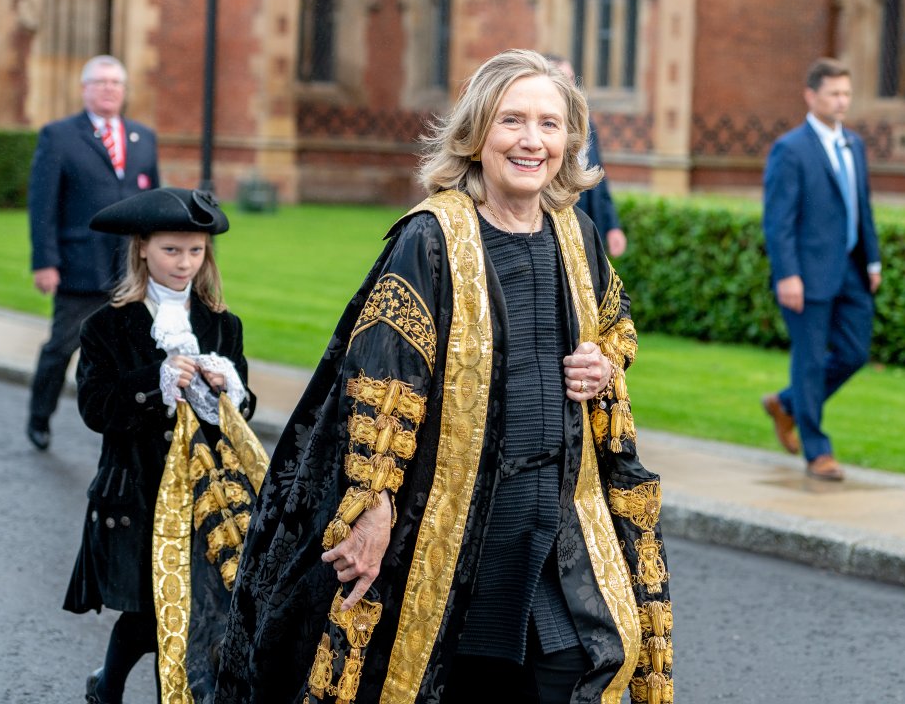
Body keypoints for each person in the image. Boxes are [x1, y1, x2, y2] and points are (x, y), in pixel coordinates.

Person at [215, 49, 673, 704]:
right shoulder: (430, 239)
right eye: (512, 120)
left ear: (570, 139)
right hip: (457, 527)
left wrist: (603, 360)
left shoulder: (577, 233)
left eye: (549, 124)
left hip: (559, 518)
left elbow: (614, 322)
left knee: (577, 660)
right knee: (465, 681)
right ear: (476, 132)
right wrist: (371, 507)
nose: (532, 140)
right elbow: (382, 380)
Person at [63, 187, 258, 704]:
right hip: (137, 491)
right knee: (151, 611)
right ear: (143, 249)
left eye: (195, 250)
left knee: (196, 610)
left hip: (206, 494)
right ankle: (107, 686)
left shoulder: (223, 324)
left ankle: (112, 688)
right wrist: (157, 380)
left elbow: (242, 417)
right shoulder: (106, 326)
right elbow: (95, 409)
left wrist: (230, 389)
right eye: (171, 249)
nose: (184, 262)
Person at [26, 54, 160, 450]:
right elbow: (42, 204)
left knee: (135, 352)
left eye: (115, 83)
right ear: (84, 89)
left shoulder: (143, 137)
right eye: (100, 82)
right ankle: (39, 416)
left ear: (124, 90)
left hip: (131, 270)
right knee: (62, 347)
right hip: (79, 265)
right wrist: (44, 262)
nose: (108, 89)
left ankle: (131, 427)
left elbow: (153, 205)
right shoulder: (58, 136)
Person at [761, 58, 881, 482]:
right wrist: (787, 274)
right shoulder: (790, 149)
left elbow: (862, 207)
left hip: (851, 270)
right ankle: (818, 452)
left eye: (847, 93)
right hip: (806, 275)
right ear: (811, 96)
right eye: (834, 93)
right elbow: (778, 220)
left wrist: (872, 260)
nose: (842, 101)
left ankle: (786, 404)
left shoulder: (855, 145)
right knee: (810, 361)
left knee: (854, 353)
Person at [547, 55, 628, 258]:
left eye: (571, 79)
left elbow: (599, 176)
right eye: (561, 79)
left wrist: (612, 226)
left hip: (590, 230)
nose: (570, 86)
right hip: (554, 231)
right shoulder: (542, 131)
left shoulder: (587, 124)